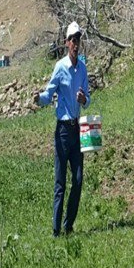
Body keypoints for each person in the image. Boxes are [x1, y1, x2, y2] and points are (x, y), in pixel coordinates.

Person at [33, 21, 90, 237]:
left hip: (78, 130)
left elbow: (88, 98)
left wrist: (84, 99)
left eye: (78, 39)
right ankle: (56, 231)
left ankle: (69, 225)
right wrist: (39, 99)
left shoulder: (82, 67)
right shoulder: (60, 67)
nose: (76, 43)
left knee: (77, 180)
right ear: (66, 43)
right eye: (73, 39)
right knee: (60, 183)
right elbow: (49, 93)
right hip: (63, 131)